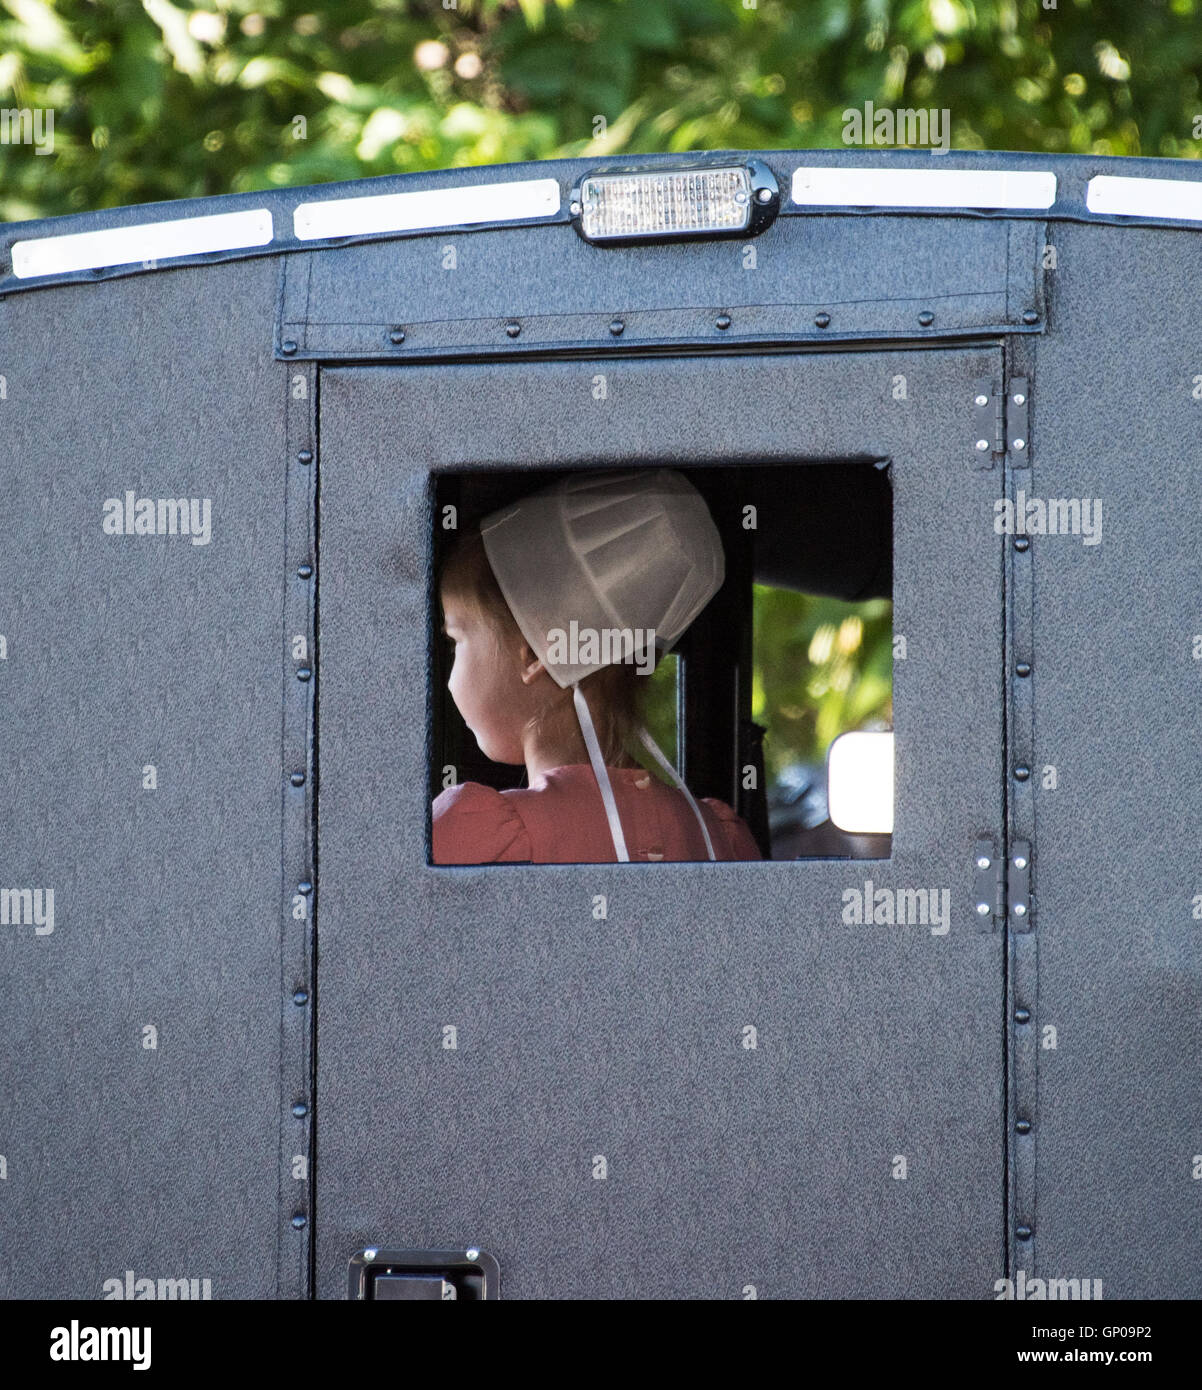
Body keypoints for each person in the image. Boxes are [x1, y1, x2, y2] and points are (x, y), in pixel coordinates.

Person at [432, 469, 762, 865]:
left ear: (536, 653)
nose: (450, 677)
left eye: (456, 640)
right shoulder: (724, 838)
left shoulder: (468, 837)